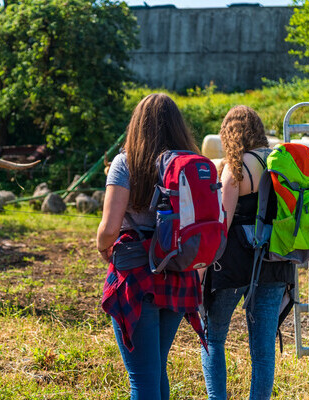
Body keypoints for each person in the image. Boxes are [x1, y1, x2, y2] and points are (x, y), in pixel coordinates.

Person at [97, 93, 205, 400]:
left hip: (137, 275)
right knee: (156, 371)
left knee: (142, 378)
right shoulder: (191, 164)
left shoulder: (126, 162)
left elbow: (108, 229)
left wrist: (104, 248)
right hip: (179, 272)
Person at [200, 105, 294, 400]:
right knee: (263, 352)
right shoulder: (279, 162)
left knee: (213, 338)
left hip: (235, 266)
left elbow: (221, 224)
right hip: (277, 262)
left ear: (230, 134)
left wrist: (200, 270)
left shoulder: (236, 167)